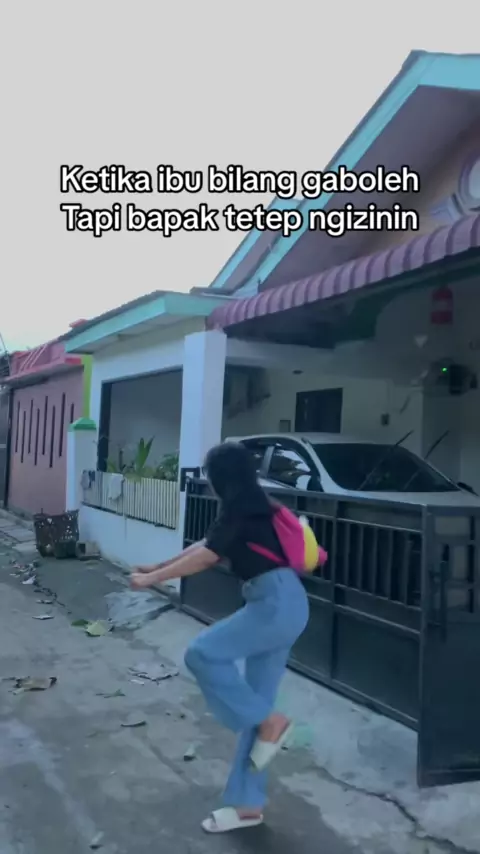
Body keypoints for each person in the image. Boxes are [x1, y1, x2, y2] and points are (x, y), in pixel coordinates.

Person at [130, 442, 310, 834]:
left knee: (202, 654)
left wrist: (153, 579)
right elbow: (206, 545)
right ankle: (247, 807)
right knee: (254, 708)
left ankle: (271, 722)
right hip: (284, 602)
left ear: (220, 477)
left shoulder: (242, 508)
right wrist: (158, 565)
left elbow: (208, 557)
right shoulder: (252, 505)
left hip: (274, 605)